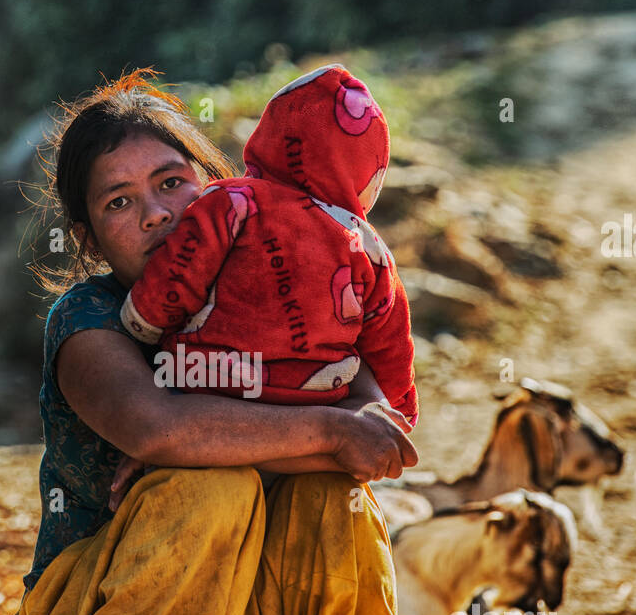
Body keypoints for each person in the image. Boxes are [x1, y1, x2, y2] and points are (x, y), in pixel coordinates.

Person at [0, 68, 419, 615]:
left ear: (220, 188)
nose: (157, 215)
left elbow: (379, 436)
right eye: (120, 203)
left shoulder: (294, 289)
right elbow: (156, 428)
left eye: (171, 183)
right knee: (206, 486)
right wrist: (322, 432)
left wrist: (254, 439)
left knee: (336, 500)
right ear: (89, 238)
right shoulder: (88, 321)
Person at [120, 64, 417, 422]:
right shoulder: (370, 249)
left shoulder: (235, 200)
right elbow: (391, 345)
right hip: (318, 400)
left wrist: (144, 319)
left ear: (269, 136)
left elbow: (183, 267)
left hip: (211, 387)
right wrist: (399, 412)